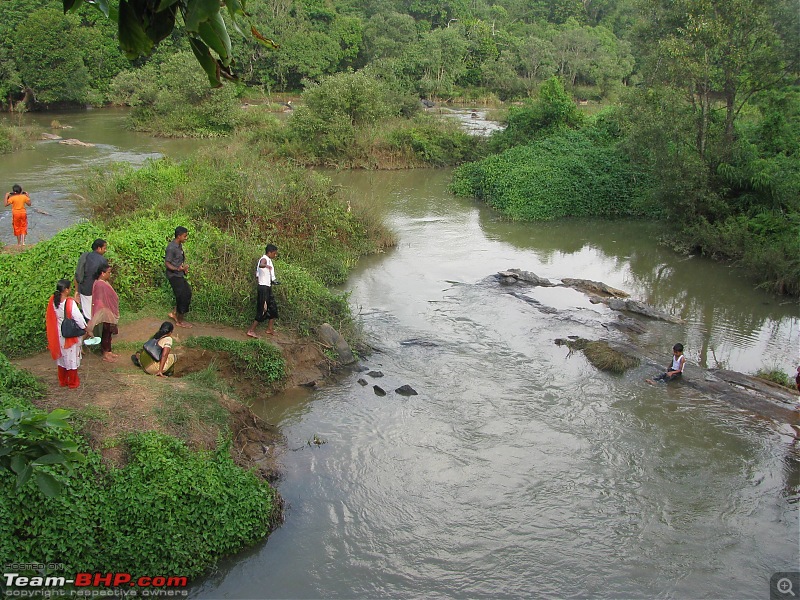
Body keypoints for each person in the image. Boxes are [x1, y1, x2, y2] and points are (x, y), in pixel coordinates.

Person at [45, 279, 87, 389]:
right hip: (70, 334)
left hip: (59, 333)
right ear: (67, 290)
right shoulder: (69, 303)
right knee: (72, 357)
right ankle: (73, 382)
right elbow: (78, 318)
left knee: (62, 358)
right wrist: (85, 328)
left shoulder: (53, 300)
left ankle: (63, 381)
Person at [86, 264, 120, 363]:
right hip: (104, 310)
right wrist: (103, 309)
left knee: (108, 331)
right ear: (102, 273)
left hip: (107, 310)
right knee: (106, 331)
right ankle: (105, 353)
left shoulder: (104, 282)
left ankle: (108, 351)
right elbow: (99, 299)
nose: (110, 274)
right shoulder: (100, 284)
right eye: (108, 272)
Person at [246, 244, 279, 338]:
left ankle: (269, 329)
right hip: (263, 289)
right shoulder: (264, 259)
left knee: (273, 308)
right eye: (274, 253)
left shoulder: (269, 260)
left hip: (267, 288)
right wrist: (265, 266)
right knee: (262, 310)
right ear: (269, 252)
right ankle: (251, 330)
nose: (275, 255)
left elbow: (260, 275)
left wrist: (273, 281)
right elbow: (261, 264)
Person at [74, 239, 108, 321]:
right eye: (104, 248)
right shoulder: (102, 260)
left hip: (84, 290)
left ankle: (89, 330)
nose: (105, 250)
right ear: (99, 248)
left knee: (87, 313)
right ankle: (93, 331)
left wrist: (77, 290)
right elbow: (104, 277)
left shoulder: (85, 256)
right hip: (96, 290)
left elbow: (77, 274)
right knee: (95, 313)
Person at [165, 226, 192, 328]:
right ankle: (179, 321)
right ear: (179, 236)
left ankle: (174, 313)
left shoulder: (179, 245)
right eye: (185, 236)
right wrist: (178, 269)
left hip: (179, 274)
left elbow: (177, 261)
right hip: (174, 276)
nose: (186, 238)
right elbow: (167, 263)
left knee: (186, 293)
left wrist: (183, 269)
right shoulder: (171, 247)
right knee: (183, 296)